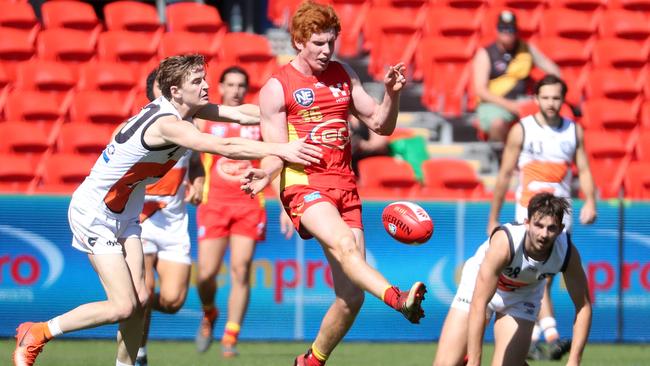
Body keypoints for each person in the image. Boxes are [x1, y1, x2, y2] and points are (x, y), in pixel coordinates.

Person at [13, 54, 322, 366]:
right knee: (123, 306)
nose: (206, 85)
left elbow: (243, 114)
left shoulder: (187, 110)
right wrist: (281, 148)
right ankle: (38, 332)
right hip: (95, 214)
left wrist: (300, 113)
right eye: (197, 81)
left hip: (126, 214)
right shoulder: (167, 124)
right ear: (175, 91)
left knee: (142, 300)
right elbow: (224, 146)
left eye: (205, 78)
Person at [240, 2, 427, 365]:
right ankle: (397, 299)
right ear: (297, 41)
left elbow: (381, 125)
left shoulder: (343, 75)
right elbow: (274, 147)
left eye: (331, 43)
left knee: (351, 296)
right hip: (303, 182)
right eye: (318, 44)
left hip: (346, 185)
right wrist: (266, 174)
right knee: (346, 246)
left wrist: (392, 93)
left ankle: (311, 360)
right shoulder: (277, 88)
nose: (327, 51)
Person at [486, 74, 597, 361]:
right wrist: (494, 217)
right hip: (527, 214)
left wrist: (591, 202)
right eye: (545, 97)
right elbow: (504, 174)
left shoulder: (573, 132)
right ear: (536, 99)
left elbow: (583, 169)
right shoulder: (522, 130)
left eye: (556, 98)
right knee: (532, 275)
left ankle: (535, 337)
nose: (551, 103)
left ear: (563, 100)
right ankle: (548, 335)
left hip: (559, 218)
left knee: (543, 277)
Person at [193, 66, 294, 358]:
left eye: (241, 85)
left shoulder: (259, 122)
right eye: (230, 84)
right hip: (214, 204)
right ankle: (209, 312)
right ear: (220, 88)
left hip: (250, 204)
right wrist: (195, 180)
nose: (236, 90)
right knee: (206, 275)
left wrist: (284, 205)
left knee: (240, 269)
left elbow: (273, 162)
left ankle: (230, 336)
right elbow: (190, 157)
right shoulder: (206, 118)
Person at [109, 70, 204, 366]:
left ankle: (135, 312)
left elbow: (197, 163)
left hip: (174, 222)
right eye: (160, 87)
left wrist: (198, 182)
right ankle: (137, 353)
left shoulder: (189, 128)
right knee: (143, 289)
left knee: (174, 300)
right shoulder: (137, 126)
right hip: (141, 217)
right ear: (152, 92)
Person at [433, 193, 592, 366]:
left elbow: (583, 306)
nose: (544, 234)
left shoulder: (567, 253)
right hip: (478, 288)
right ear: (526, 223)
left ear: (561, 229)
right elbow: (479, 302)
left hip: (523, 295)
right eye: (538, 225)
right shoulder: (505, 242)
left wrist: (574, 360)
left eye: (551, 228)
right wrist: (474, 360)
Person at [473, 10, 561, 144]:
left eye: (511, 28)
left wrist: (548, 91)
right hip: (495, 103)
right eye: (503, 28)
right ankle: (503, 158)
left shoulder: (526, 49)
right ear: (497, 30)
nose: (507, 32)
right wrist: (510, 105)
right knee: (497, 124)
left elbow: (554, 71)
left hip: (522, 101)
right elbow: (480, 90)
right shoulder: (485, 53)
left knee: (552, 113)